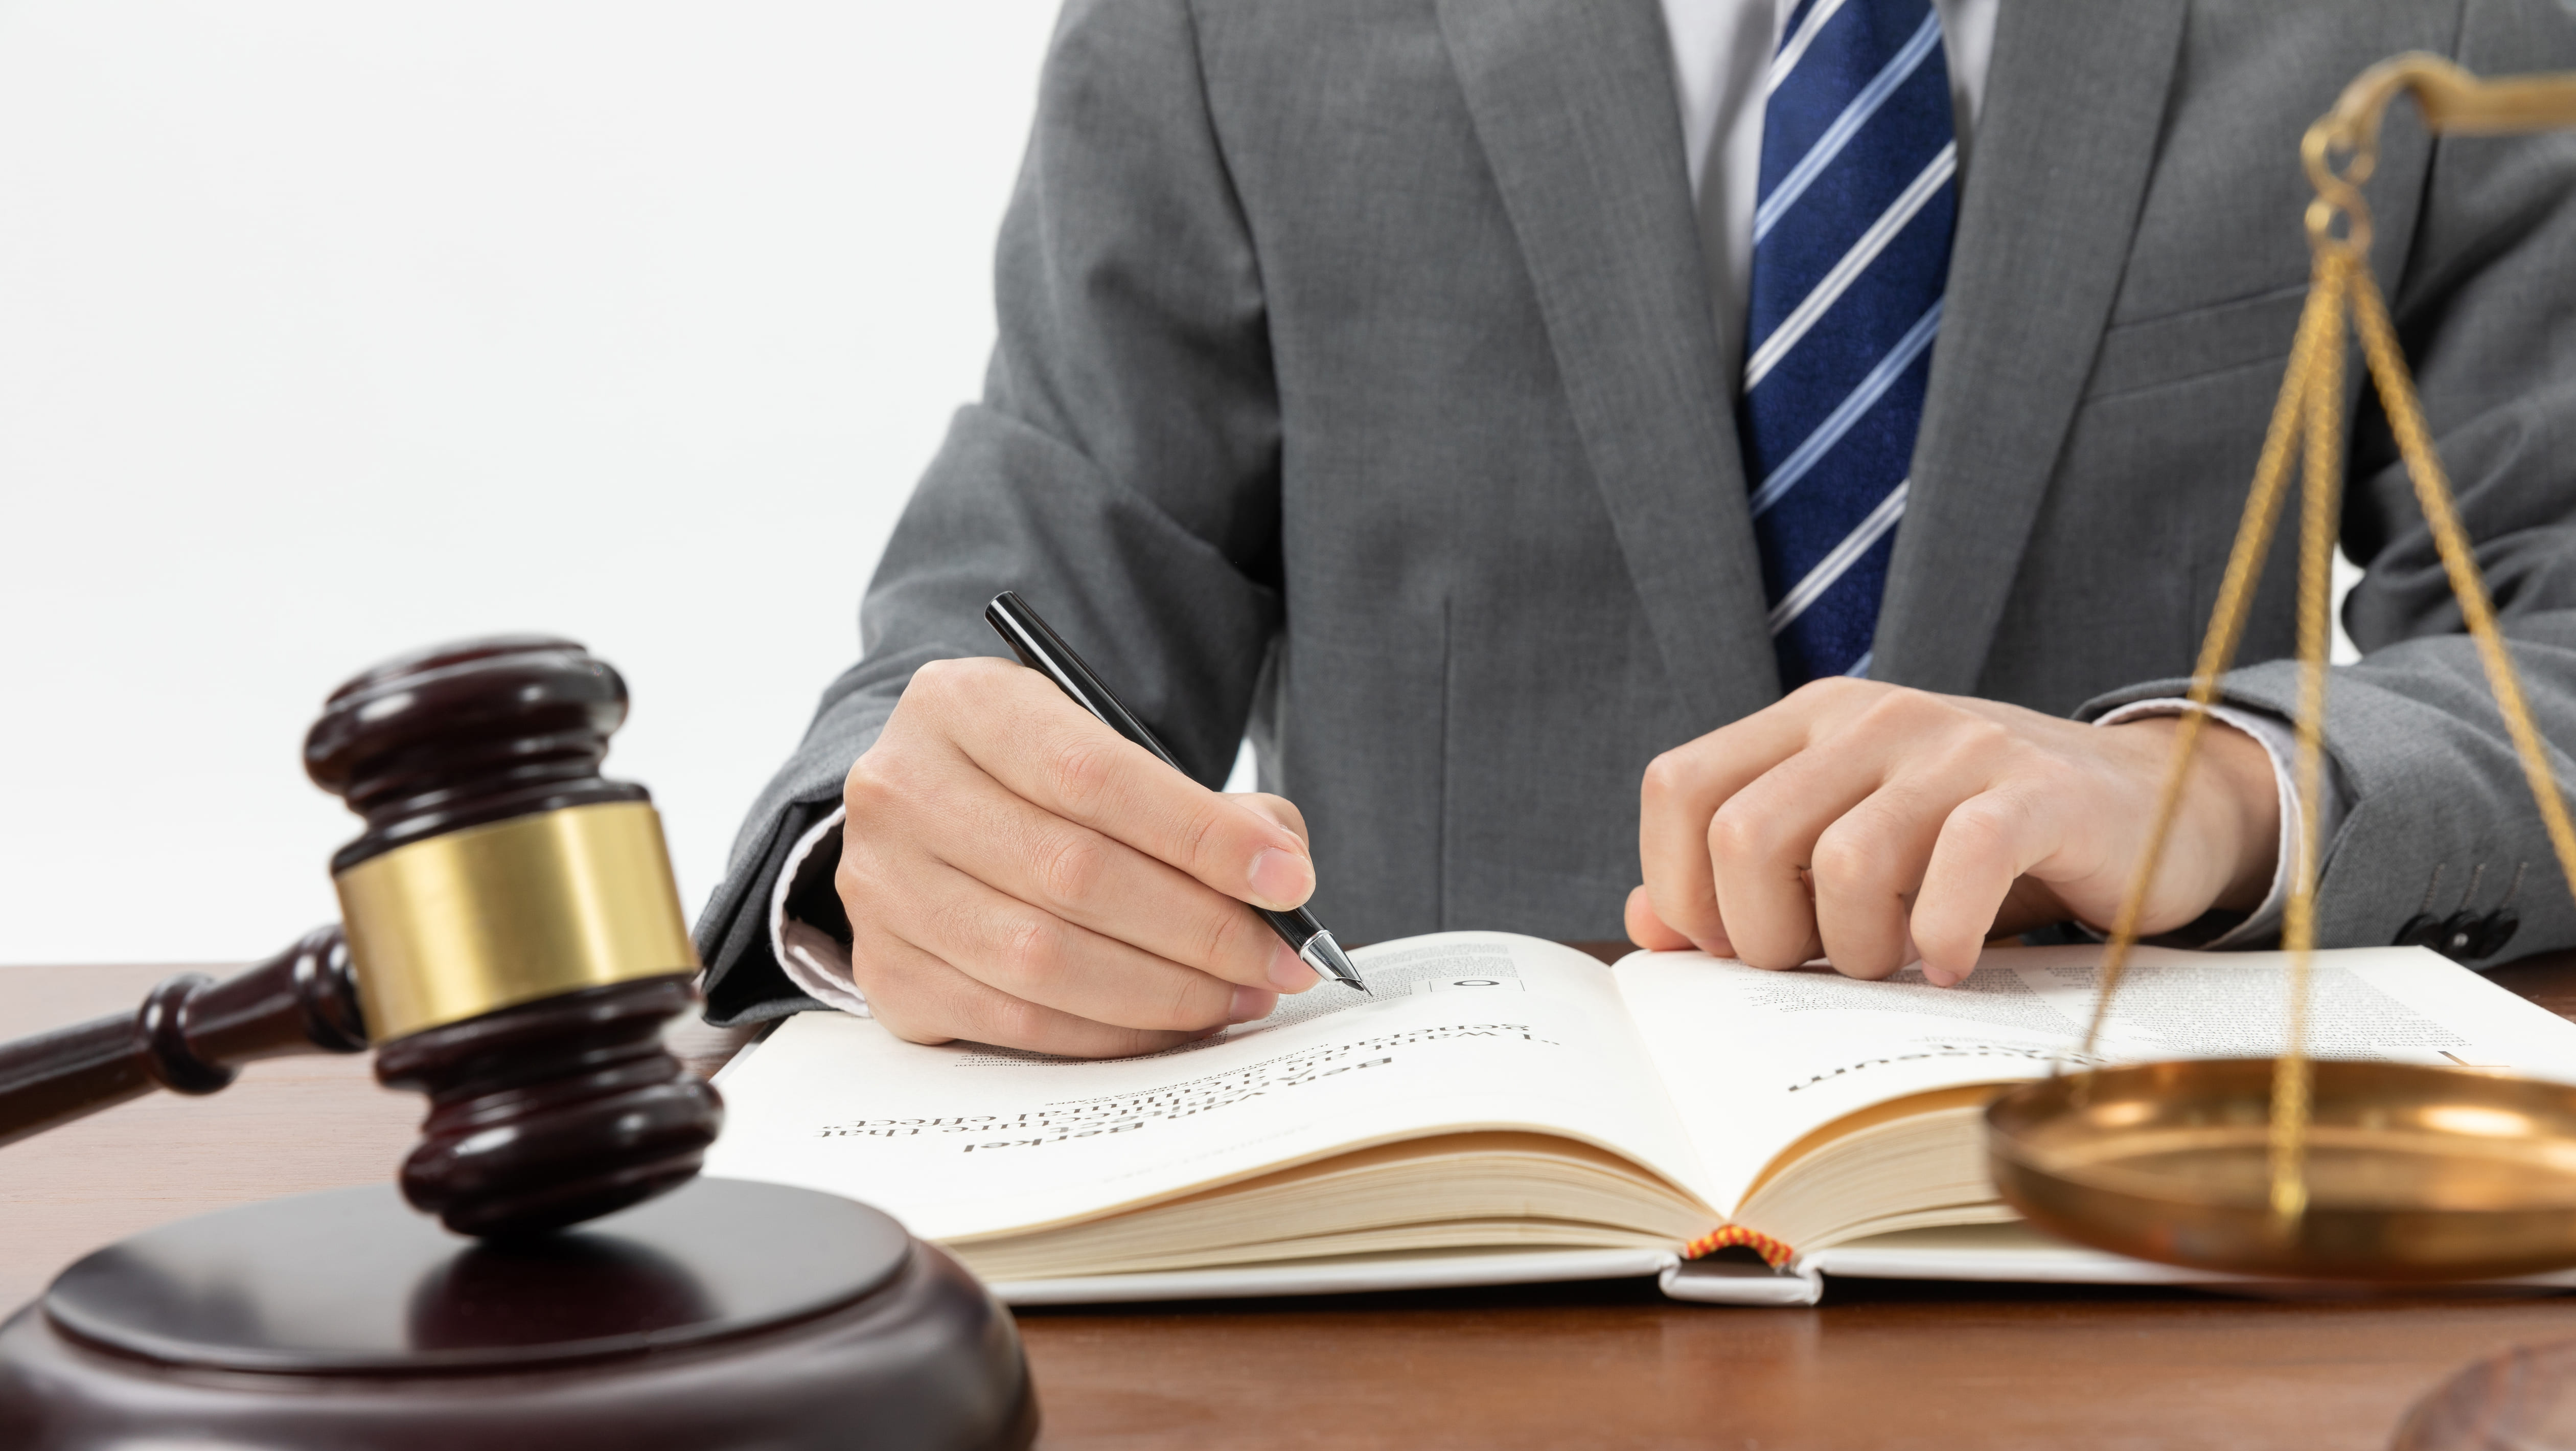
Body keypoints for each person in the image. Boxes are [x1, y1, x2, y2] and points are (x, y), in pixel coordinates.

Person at [695, 0, 2576, 1059]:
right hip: (1417, 1276)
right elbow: (1007, 611)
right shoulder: (1222, 32)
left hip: (2143, 1257)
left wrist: (2213, 787)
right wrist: (898, 863)